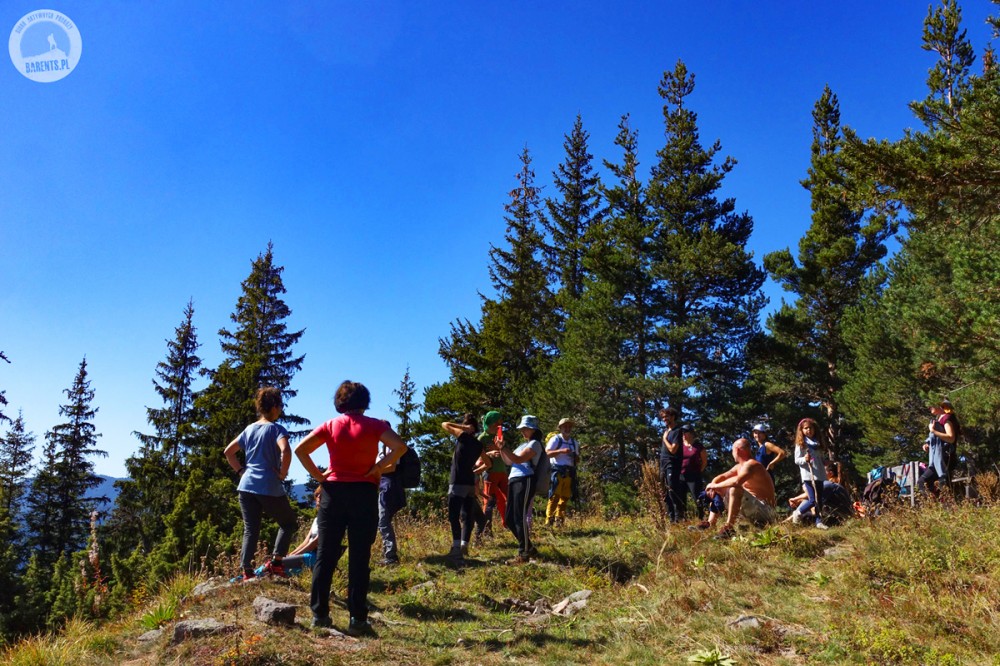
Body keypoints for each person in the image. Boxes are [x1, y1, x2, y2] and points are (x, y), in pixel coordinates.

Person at [294, 380, 408, 637]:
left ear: (340, 402)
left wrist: (320, 477)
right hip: (363, 492)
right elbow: (400, 447)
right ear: (364, 402)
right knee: (359, 556)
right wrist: (379, 468)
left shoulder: (331, 425)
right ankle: (357, 618)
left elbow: (301, 450)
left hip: (333, 493)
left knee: (326, 553)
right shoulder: (375, 425)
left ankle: (319, 615)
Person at [224, 387, 298, 581]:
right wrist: (283, 473)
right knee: (288, 523)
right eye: (280, 405)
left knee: (251, 529)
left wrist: (241, 471)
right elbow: (286, 451)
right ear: (274, 407)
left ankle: (246, 571)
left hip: (246, 486)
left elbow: (228, 452)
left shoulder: (250, 429)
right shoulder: (276, 429)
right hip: (268, 485)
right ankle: (276, 563)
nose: (281, 409)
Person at [701, 438, 777, 539]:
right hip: (752, 508)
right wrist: (713, 484)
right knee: (719, 487)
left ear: (737, 450)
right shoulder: (739, 466)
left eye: (732, 451)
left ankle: (729, 528)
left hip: (765, 512)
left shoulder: (751, 465)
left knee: (734, 488)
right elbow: (723, 477)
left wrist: (713, 486)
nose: (732, 454)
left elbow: (737, 482)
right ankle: (710, 523)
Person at [497, 415, 544, 563]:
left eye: (525, 428)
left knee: (519, 516)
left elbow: (518, 459)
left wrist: (504, 448)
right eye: (522, 428)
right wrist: (502, 449)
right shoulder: (523, 445)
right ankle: (529, 548)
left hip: (525, 480)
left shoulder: (535, 444)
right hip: (514, 480)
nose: (522, 431)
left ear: (533, 429)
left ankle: (523, 554)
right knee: (510, 518)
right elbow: (509, 461)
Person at [441, 413, 486, 564]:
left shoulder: (462, 436)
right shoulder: (478, 444)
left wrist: (463, 427)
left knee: (453, 515)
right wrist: (474, 471)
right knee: (468, 515)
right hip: (469, 483)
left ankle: (455, 548)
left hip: (457, 481)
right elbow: (488, 463)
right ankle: (464, 545)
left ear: (468, 426)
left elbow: (445, 424)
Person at [255, 486, 322, 576]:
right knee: (275, 565)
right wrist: (292, 554)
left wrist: (294, 555)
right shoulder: (316, 520)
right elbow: (305, 542)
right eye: (317, 495)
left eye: (322, 495)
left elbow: (313, 543)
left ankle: (249, 577)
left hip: (314, 557)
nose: (319, 497)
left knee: (274, 566)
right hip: (308, 555)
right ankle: (248, 577)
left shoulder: (329, 519)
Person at [790, 418, 830, 530]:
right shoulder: (801, 444)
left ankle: (819, 521)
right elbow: (797, 460)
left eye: (810, 428)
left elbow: (821, 458)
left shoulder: (818, 443)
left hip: (819, 474)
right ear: (801, 430)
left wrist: (824, 461)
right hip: (808, 475)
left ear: (814, 429)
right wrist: (804, 459)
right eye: (806, 428)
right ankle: (798, 512)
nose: (808, 430)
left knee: (819, 499)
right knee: (812, 499)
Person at [918, 398, 961, 499]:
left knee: (944, 485)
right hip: (935, 460)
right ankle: (934, 506)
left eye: (931, 405)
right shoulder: (938, 419)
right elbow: (937, 439)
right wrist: (928, 444)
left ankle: (951, 508)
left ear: (940, 405)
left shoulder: (947, 418)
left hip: (945, 458)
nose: (929, 407)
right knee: (922, 482)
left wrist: (933, 431)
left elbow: (951, 438)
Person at [787, 463, 852, 526]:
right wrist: (797, 499)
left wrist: (799, 496)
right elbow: (811, 496)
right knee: (806, 505)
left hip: (839, 519)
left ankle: (790, 523)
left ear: (831, 473)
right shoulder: (832, 485)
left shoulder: (827, 485)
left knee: (806, 513)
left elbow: (812, 496)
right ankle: (788, 522)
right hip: (842, 518)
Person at [376, 436, 406, 567]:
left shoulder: (391, 448)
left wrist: (373, 471)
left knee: (383, 521)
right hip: (386, 487)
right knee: (384, 521)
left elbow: (392, 467)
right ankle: (387, 553)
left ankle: (391, 556)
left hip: (389, 488)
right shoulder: (382, 449)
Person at [477, 411, 508, 536]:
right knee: (489, 502)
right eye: (497, 423)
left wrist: (503, 447)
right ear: (491, 423)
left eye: (501, 423)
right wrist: (489, 454)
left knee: (505, 500)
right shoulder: (482, 438)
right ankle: (486, 530)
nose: (500, 426)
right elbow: (477, 457)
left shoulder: (500, 436)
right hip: (490, 473)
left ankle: (508, 524)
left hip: (503, 471)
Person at [545, 418, 579, 527]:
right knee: (554, 496)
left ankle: (559, 521)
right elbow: (547, 453)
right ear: (560, 428)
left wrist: (575, 457)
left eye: (569, 426)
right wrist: (561, 451)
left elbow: (577, 460)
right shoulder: (555, 439)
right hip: (557, 470)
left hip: (570, 472)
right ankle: (549, 520)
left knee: (564, 498)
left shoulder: (574, 442)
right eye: (565, 426)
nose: (567, 428)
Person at [658, 407, 685, 523]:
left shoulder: (677, 431)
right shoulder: (667, 431)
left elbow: (673, 450)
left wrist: (664, 439)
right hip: (663, 464)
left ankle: (679, 517)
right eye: (663, 417)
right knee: (664, 492)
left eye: (667, 416)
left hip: (672, 464)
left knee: (672, 490)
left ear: (673, 417)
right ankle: (671, 518)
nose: (664, 419)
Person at [680, 424, 708, 520]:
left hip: (694, 475)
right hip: (681, 475)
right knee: (681, 498)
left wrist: (698, 471)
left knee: (697, 497)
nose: (683, 434)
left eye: (685, 432)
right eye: (682, 432)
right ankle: (683, 519)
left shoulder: (698, 446)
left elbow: (704, 461)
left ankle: (703, 518)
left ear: (691, 433)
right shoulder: (680, 446)